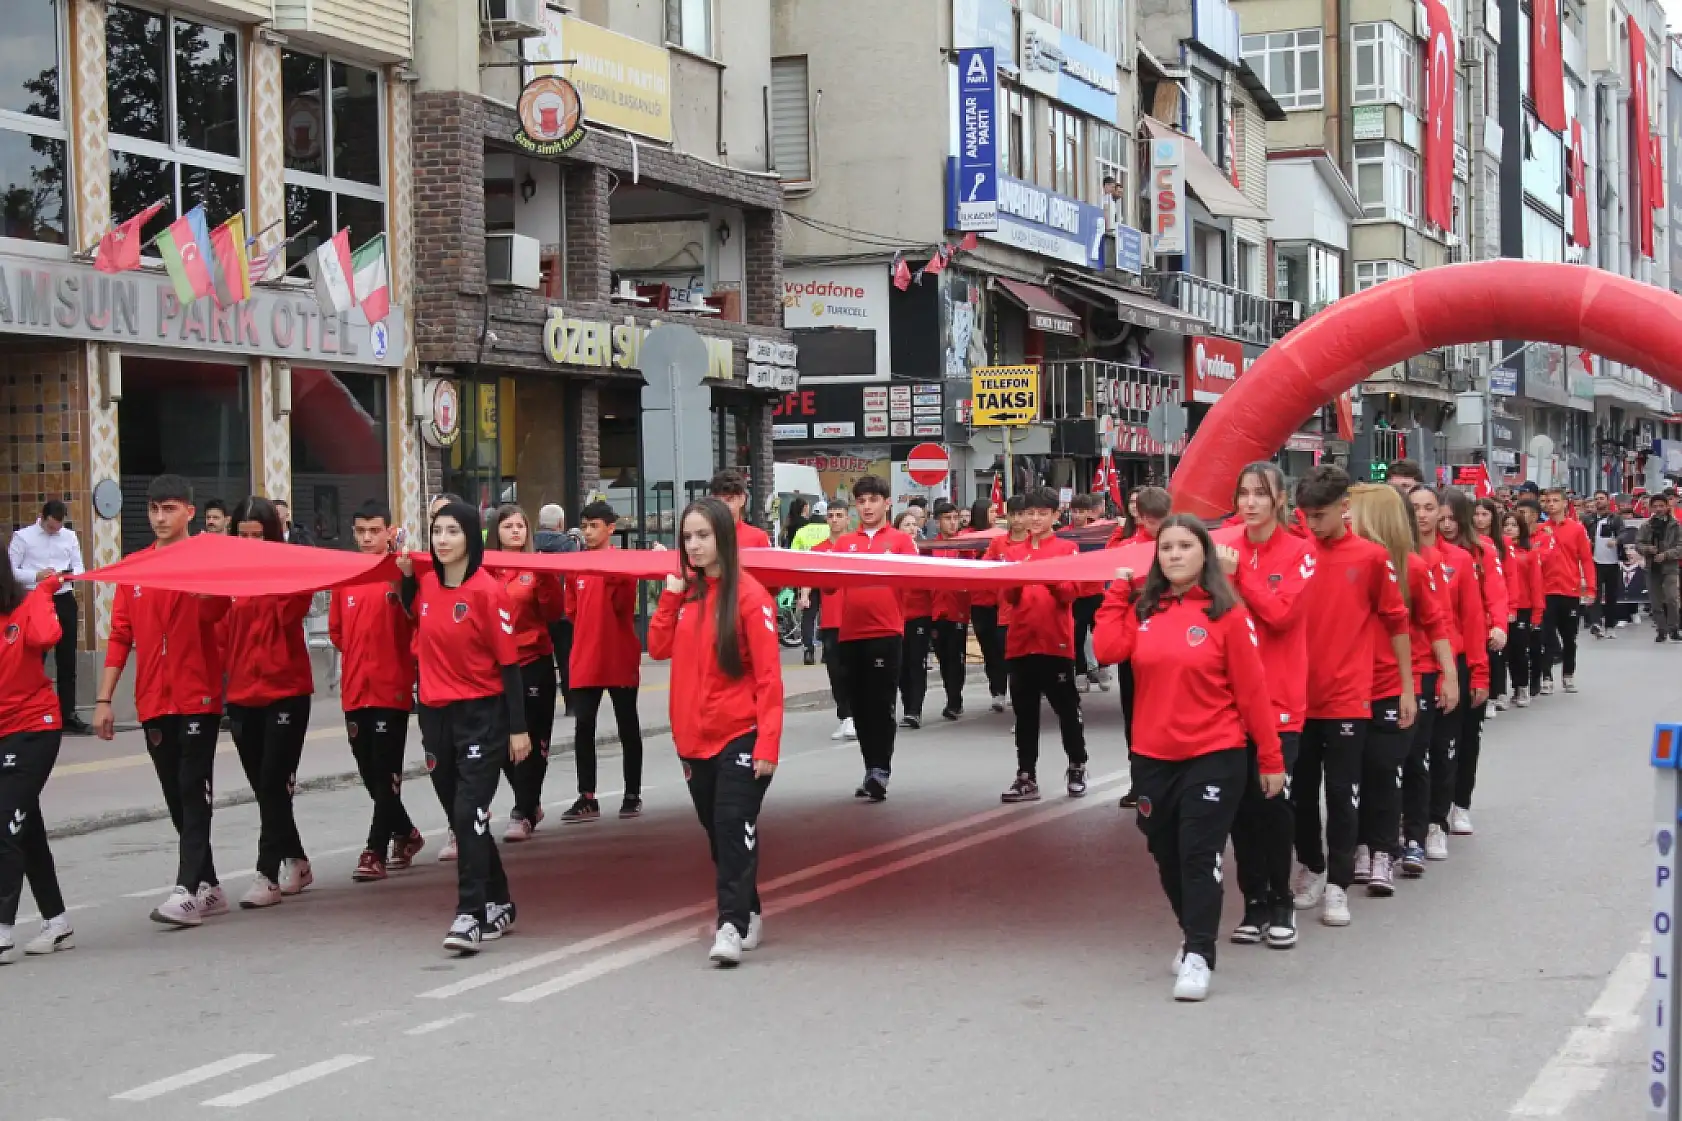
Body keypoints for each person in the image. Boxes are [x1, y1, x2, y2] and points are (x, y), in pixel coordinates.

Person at [1094, 515, 1284, 1002]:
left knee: (1200, 854)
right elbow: (1108, 648)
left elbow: (1253, 692)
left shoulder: (1228, 615)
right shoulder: (1144, 612)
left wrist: (1270, 758)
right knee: (1165, 852)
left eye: (1184, 546)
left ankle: (1200, 953)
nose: (1174, 555)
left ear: (1205, 554)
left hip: (1215, 752)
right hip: (1153, 756)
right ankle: (1191, 932)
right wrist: (1117, 593)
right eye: (1166, 547)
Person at [647, 498, 783, 966]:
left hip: (740, 733)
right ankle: (750, 908)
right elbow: (658, 647)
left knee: (731, 822)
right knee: (717, 833)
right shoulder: (686, 594)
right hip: (693, 741)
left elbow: (768, 678)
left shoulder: (750, 597)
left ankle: (731, 923)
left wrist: (768, 743)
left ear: (723, 537)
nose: (695, 545)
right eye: (687, 537)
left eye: (703, 535)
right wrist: (669, 595)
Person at [95, 475, 232, 928]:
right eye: (153, 509)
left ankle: (187, 889)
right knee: (176, 796)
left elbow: (220, 615)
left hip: (197, 695)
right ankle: (208, 884)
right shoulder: (134, 568)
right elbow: (119, 637)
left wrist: (207, 586)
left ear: (189, 512)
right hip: (153, 698)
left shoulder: (209, 561)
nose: (159, 517)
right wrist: (103, 699)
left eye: (169, 508)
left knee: (194, 791)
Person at [398, 502, 529, 953]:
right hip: (435, 716)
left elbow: (510, 666)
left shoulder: (489, 592)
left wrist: (518, 728)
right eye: (437, 531)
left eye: (453, 531)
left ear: (471, 537)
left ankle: (469, 914)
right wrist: (403, 575)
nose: (443, 539)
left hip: (482, 716)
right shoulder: (428, 586)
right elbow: (408, 608)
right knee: (464, 816)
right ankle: (500, 901)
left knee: (467, 814)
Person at [1292, 466, 1410, 929]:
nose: (1313, 524)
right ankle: (1312, 868)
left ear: (1345, 507)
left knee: (1342, 794)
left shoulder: (1372, 557)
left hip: (1347, 699)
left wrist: (1403, 687)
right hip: (1298, 698)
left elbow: (1397, 621)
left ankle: (1339, 883)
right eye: (1305, 516)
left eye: (1320, 515)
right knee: (1300, 794)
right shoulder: (1295, 555)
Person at [1221, 463, 1314, 950]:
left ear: (1280, 500)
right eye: (1243, 493)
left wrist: (1243, 578)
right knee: (1240, 807)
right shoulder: (1223, 545)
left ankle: (1281, 901)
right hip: (1228, 701)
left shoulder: (1301, 551)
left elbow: (1281, 614)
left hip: (1280, 700)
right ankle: (1253, 901)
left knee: (1273, 803)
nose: (1250, 503)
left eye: (1261, 494)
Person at [1347, 485, 1451, 900]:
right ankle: (1356, 846)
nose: (1346, 517)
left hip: (1393, 684)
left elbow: (1435, 623)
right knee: (1348, 775)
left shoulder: (1412, 567)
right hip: (1347, 686)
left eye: (1352, 511)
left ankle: (1383, 851)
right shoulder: (1342, 562)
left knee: (1385, 771)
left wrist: (1452, 675)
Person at [221, 498, 316, 908]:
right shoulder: (225, 575)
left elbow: (294, 608)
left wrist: (267, 570)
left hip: (286, 691)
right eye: (242, 537)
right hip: (242, 693)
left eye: (257, 536)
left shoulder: (289, 568)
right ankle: (295, 859)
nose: (249, 543)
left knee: (275, 781)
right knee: (265, 788)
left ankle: (266, 873)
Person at [330, 500, 425, 882]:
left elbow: (418, 620)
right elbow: (337, 633)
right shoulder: (346, 576)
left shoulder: (401, 573)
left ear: (390, 531)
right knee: (369, 772)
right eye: (360, 531)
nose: (367, 538)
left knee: (386, 772)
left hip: (392, 689)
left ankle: (375, 850)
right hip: (355, 690)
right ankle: (406, 832)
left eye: (374, 530)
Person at [0, 546, 73, 959]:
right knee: (23, 828)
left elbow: (48, 636)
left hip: (33, 730)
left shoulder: (26, 605)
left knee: (4, 824)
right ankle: (57, 921)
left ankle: (3, 928)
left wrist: (44, 595)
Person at [1404, 487, 1482, 865]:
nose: (1422, 514)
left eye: (1429, 508)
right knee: (1413, 753)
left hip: (1450, 664)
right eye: (1415, 507)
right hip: (1412, 667)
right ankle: (1410, 824)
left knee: (1443, 749)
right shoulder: (1398, 556)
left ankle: (1438, 821)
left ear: (1441, 514)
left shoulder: (1460, 560)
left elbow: (1471, 618)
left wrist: (1477, 672)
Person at [830, 474, 918, 801]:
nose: (867, 507)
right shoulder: (844, 543)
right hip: (850, 634)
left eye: (873, 500)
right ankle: (870, 769)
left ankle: (881, 769)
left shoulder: (899, 541)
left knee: (881, 706)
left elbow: (915, 579)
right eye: (862, 501)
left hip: (885, 633)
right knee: (860, 708)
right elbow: (828, 584)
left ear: (886, 503)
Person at [998, 488, 1088, 803]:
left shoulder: (1067, 548)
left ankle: (1077, 764)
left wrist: (1047, 576)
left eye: (1041, 513)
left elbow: (1069, 594)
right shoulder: (1012, 552)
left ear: (1054, 516)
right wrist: (1016, 578)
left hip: (1055, 642)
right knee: (1025, 714)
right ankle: (1026, 776)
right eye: (1029, 513)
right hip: (1021, 642)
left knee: (1066, 709)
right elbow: (1008, 598)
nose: (1034, 519)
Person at [486, 504, 566, 842]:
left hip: (534, 662)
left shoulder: (535, 568)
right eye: (508, 526)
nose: (516, 531)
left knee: (533, 741)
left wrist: (546, 576)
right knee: (501, 741)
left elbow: (554, 611)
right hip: (497, 667)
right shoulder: (483, 571)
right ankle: (529, 802)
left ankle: (523, 810)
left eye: (521, 525)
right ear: (496, 532)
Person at [565, 500, 645, 822]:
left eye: (594, 526)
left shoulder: (622, 565)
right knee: (583, 727)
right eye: (584, 526)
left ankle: (632, 792)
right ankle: (587, 796)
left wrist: (612, 577)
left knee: (628, 725)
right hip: (586, 657)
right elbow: (571, 611)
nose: (588, 532)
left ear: (610, 528)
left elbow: (625, 607)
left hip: (619, 655)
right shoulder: (575, 566)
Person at [1436, 489, 1498, 839]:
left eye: (1450, 518)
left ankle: (1461, 803)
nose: (1445, 525)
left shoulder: (1481, 552)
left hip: (1472, 652)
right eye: (1438, 517)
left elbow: (1491, 602)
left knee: (1467, 737)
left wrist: (1500, 626)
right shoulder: (1422, 554)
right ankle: (1433, 812)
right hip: (1437, 660)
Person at [7, 500, 89, 734]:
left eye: (58, 527)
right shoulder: (23, 537)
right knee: (34, 658)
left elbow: (80, 567)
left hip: (63, 596)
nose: (55, 531)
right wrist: (37, 575)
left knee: (67, 658)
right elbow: (11, 571)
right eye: (51, 527)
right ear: (41, 517)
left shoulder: (69, 537)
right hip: (35, 598)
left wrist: (67, 576)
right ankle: (30, 711)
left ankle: (68, 713)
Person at [1534, 487, 1596, 693]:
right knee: (1545, 636)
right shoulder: (1540, 529)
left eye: (1555, 501)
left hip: (1570, 591)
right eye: (1547, 501)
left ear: (1564, 504)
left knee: (1569, 637)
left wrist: (1591, 589)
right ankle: (1546, 677)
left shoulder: (1577, 529)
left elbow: (1586, 560)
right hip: (1546, 591)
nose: (1550, 504)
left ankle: (1568, 674)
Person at [803, 503, 855, 741]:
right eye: (831, 516)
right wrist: (804, 594)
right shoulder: (819, 549)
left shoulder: (855, 546)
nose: (834, 520)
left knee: (854, 670)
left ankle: (856, 715)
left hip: (856, 619)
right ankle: (845, 717)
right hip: (831, 620)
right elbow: (810, 577)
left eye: (839, 515)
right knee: (835, 671)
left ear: (847, 519)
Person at [973, 497, 1025, 713]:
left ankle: (1023, 697)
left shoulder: (1036, 542)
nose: (1019, 519)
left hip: (1030, 612)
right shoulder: (998, 543)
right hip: (1005, 611)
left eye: (1023, 514)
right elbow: (986, 569)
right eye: (1014, 515)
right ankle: (1002, 693)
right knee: (1002, 655)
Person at [534, 504, 580, 713]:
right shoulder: (569, 545)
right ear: (560, 524)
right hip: (562, 611)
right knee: (566, 658)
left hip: (536, 609)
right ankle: (571, 703)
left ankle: (537, 698)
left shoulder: (531, 544)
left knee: (538, 659)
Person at [929, 501, 971, 721]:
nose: (952, 522)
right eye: (947, 518)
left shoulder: (965, 545)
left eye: (955, 518)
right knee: (943, 657)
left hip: (958, 610)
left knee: (956, 656)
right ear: (938, 521)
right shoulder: (928, 547)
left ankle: (955, 700)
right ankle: (951, 694)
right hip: (936, 610)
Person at [894, 509, 935, 730]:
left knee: (916, 662)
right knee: (900, 665)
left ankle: (914, 710)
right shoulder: (891, 554)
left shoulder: (926, 552)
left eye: (913, 524)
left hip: (920, 614)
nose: (911, 528)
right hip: (896, 616)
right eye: (906, 525)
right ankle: (906, 704)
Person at [1067, 494, 1111, 694]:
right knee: (1076, 636)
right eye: (1074, 511)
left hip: (1096, 592)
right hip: (1075, 594)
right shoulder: (1064, 534)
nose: (1077, 515)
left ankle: (1103, 667)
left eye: (1081, 511)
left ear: (1089, 513)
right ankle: (1081, 674)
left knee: (1099, 634)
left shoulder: (1098, 533)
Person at [1500, 510, 1541, 708]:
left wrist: (1537, 613)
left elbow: (1536, 584)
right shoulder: (1496, 551)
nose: (1509, 528)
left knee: (1519, 650)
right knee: (1502, 652)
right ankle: (1501, 690)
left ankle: (1521, 686)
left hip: (1523, 608)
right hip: (1501, 607)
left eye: (1514, 525)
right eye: (1506, 524)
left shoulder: (1530, 552)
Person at [790, 501, 833, 665]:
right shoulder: (830, 530)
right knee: (827, 614)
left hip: (807, 577)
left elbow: (793, 555)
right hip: (828, 577)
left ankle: (808, 650)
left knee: (808, 616)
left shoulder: (802, 531)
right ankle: (826, 651)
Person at [1638, 493, 1682, 641]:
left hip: (1670, 567)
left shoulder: (1675, 525)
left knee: (1672, 598)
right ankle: (1661, 630)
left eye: (1661, 506)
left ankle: (1674, 628)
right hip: (1652, 567)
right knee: (1655, 601)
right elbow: (1638, 544)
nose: (1658, 509)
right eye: (1655, 506)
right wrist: (1647, 549)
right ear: (1651, 508)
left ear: (1667, 507)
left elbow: (1680, 547)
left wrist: (1666, 554)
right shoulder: (1646, 526)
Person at [1586, 491, 1626, 638]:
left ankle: (1610, 625)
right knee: (1594, 594)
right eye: (1596, 499)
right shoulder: (1588, 519)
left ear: (1608, 500)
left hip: (1612, 562)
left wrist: (1616, 541)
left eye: (1601, 498)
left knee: (1611, 596)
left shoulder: (1615, 519)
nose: (1598, 501)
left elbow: (1623, 533)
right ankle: (1596, 623)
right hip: (1594, 562)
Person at [709, 470, 771, 549]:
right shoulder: (705, 535)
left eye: (729, 500)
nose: (723, 506)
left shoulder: (758, 537)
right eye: (718, 501)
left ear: (742, 499)